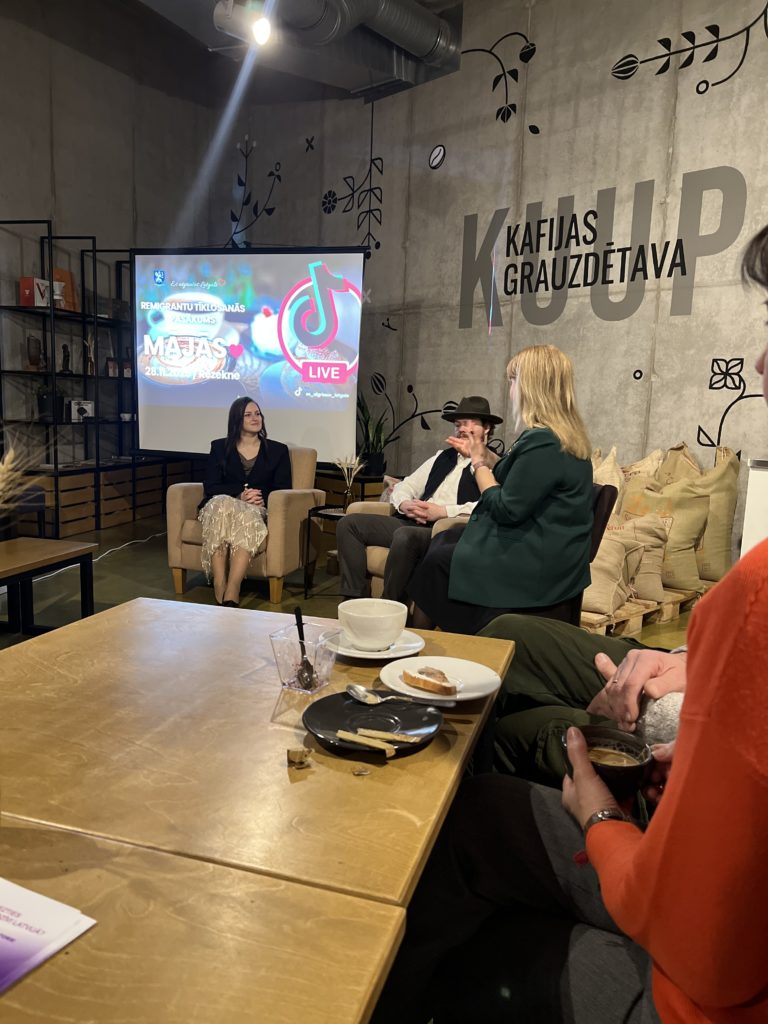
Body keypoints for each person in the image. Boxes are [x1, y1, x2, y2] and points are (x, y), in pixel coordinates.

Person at [370, 228, 768, 1024]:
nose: (758, 362)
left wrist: (598, 814)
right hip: (605, 655)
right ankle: (459, 711)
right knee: (478, 609)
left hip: (686, 986)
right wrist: (688, 682)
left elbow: (698, 937)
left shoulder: (750, 598)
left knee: (469, 799)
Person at [408, 344, 593, 634]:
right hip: (543, 548)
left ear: (531, 387)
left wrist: (479, 464)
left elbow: (505, 509)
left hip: (535, 561)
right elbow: (519, 475)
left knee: (438, 561)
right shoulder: (559, 438)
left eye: (513, 381)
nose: (510, 391)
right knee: (445, 539)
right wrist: (483, 455)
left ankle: (424, 640)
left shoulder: (543, 442)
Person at [480, 613, 687, 782]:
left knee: (503, 734)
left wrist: (646, 706)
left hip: (681, 737)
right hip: (695, 671)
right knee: (506, 634)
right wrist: (688, 660)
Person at [336, 396, 502, 603]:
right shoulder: (442, 457)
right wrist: (405, 504)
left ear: (486, 428)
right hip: (412, 521)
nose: (462, 429)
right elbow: (406, 485)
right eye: (458, 424)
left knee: (405, 536)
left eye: (469, 423)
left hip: (445, 530)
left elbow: (489, 503)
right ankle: (354, 600)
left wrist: (443, 512)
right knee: (349, 524)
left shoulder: (494, 465)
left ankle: (389, 605)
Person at [199, 396, 291, 606]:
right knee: (222, 503)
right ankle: (219, 582)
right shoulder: (219, 447)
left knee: (246, 515)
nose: (255, 418)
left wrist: (261, 498)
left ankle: (233, 586)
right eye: (248, 415)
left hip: (257, 509)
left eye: (257, 414)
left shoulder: (278, 451)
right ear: (236, 420)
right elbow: (211, 486)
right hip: (222, 506)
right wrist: (239, 495)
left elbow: (283, 488)